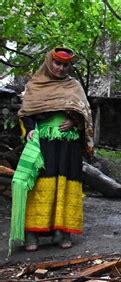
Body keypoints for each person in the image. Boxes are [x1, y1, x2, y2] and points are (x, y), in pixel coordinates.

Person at [9, 47, 94, 254]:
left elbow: (85, 112)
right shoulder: (35, 85)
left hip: (69, 145)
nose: (61, 68)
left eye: (65, 65)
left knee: (65, 185)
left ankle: (62, 232)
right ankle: (32, 233)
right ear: (49, 62)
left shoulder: (73, 86)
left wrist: (74, 121)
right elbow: (26, 111)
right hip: (44, 143)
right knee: (38, 186)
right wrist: (29, 130)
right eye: (57, 63)